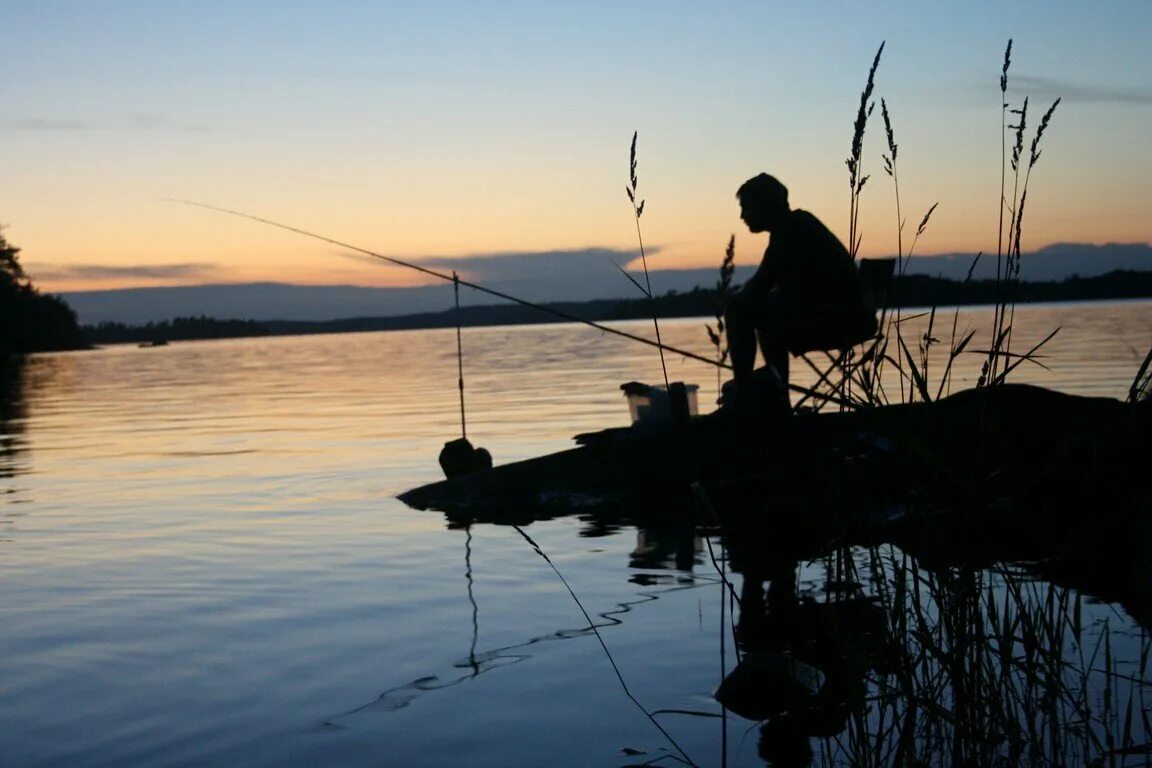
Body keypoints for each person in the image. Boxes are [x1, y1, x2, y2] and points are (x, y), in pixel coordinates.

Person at [723, 173, 877, 410]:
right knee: (767, 319)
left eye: (746, 207)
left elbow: (756, 288)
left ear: (765, 205)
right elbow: (767, 287)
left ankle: (745, 394)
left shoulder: (790, 231)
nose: (742, 216)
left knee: (737, 309)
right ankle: (778, 398)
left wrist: (732, 299)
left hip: (840, 321)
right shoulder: (797, 224)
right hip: (850, 317)